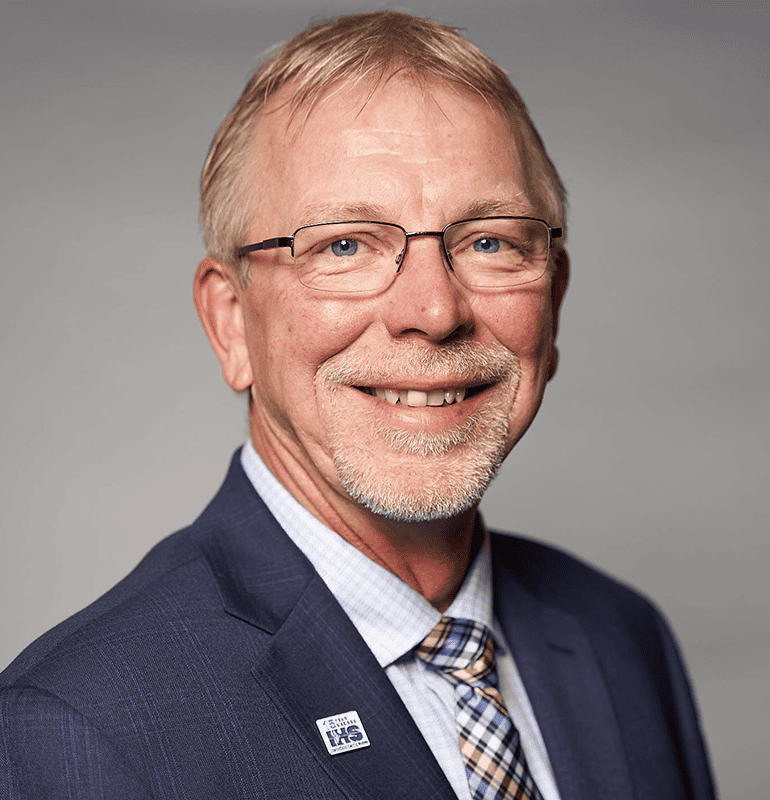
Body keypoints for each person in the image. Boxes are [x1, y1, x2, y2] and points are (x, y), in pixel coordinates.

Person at [0, 11, 715, 800]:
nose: (435, 311)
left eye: (489, 242)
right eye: (345, 244)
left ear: (554, 306)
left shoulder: (622, 637)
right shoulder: (79, 726)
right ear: (230, 321)